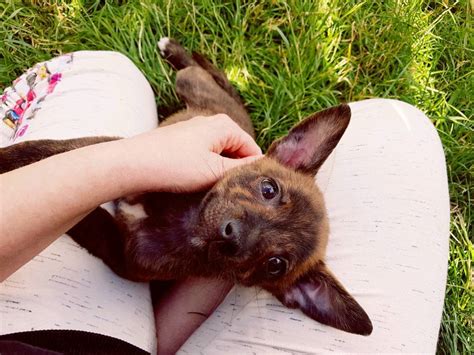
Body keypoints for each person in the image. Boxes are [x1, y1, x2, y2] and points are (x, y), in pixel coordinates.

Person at [0, 51, 449, 354]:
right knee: (183, 78)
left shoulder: (153, 260)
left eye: (278, 265)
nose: (240, 230)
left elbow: (120, 249)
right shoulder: (218, 142)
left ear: (294, 291)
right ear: (289, 153)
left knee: (108, 71)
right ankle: (192, 62)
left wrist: (119, 167)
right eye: (269, 191)